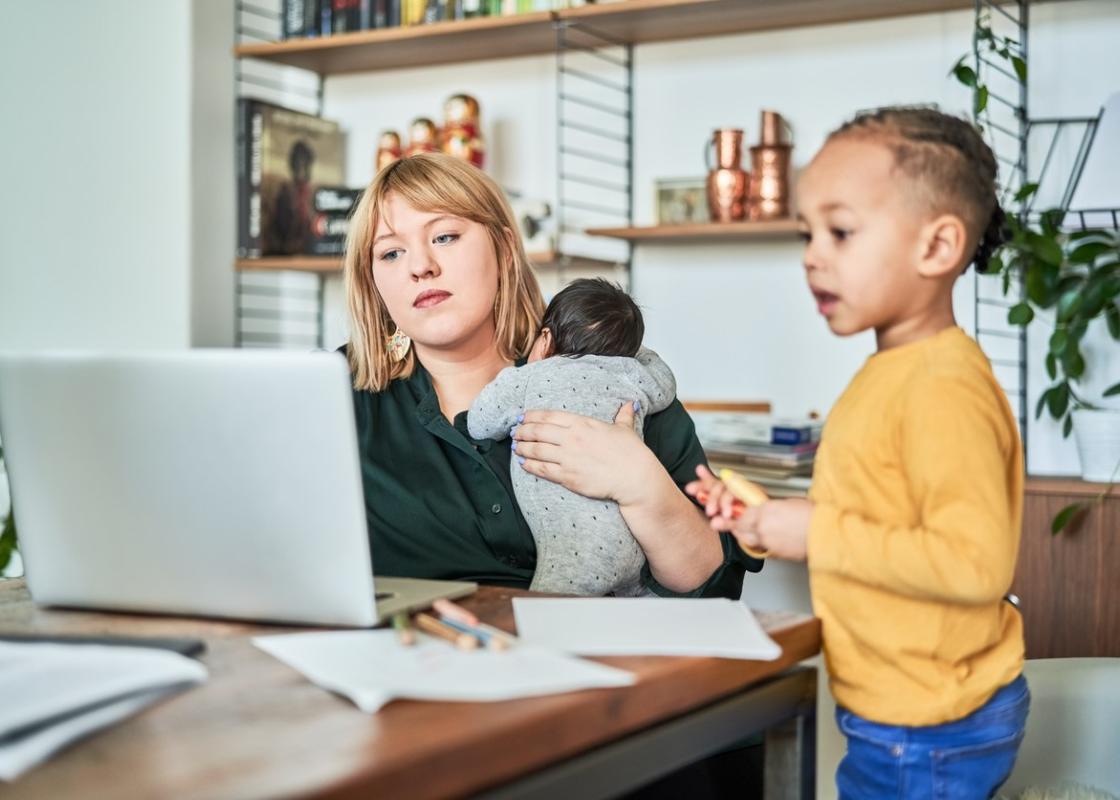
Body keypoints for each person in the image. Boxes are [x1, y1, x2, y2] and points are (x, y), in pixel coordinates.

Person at [688, 107, 1029, 799]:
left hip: (931, 725)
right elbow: (881, 514)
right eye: (808, 233)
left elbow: (974, 563)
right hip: (903, 710)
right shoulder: (894, 371)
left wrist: (817, 531)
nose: (814, 254)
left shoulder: (943, 387)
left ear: (937, 248)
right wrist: (774, 520)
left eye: (841, 232)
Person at [341, 152, 761, 598]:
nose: (419, 266)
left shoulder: (610, 370)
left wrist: (641, 485)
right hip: (411, 654)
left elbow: (716, 591)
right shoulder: (333, 397)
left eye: (444, 236)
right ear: (372, 281)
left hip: (592, 656)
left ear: (504, 249)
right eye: (390, 252)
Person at [467, 278, 677, 596]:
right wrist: (627, 349)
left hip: (574, 547)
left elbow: (479, 423)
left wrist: (515, 373)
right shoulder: (631, 374)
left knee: (546, 614)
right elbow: (666, 382)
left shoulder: (531, 376)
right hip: (634, 546)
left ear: (546, 339)